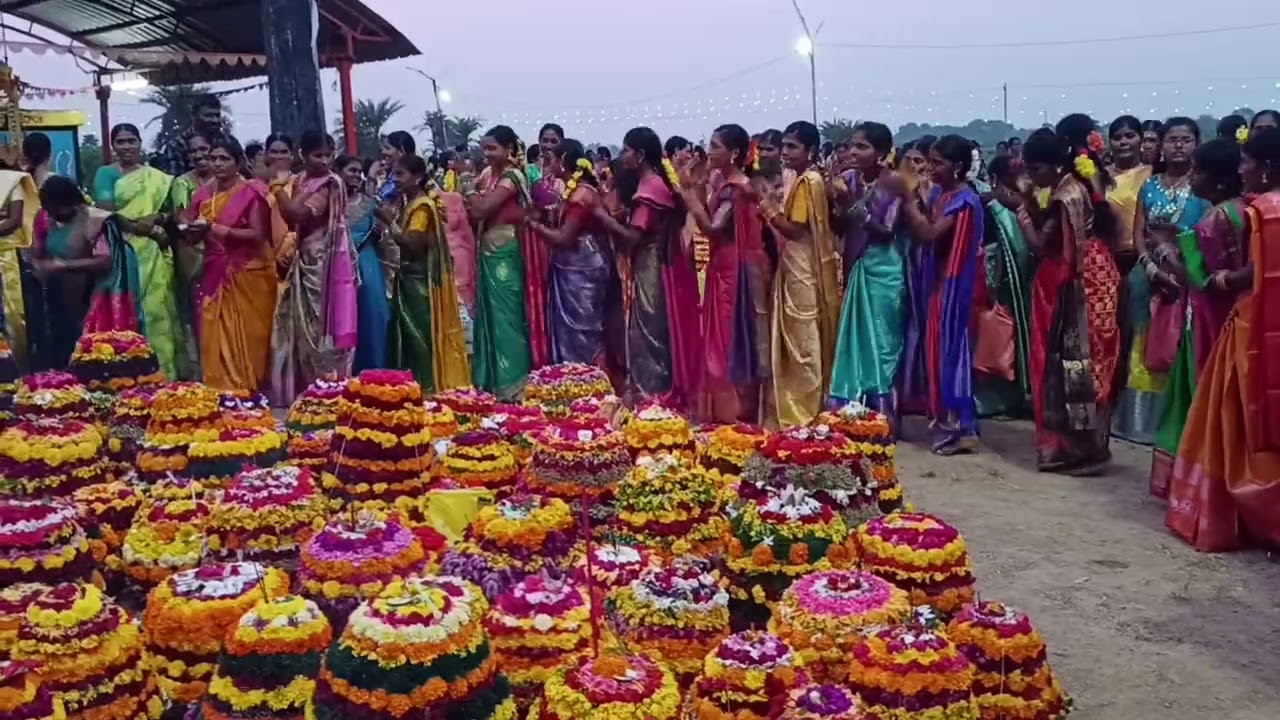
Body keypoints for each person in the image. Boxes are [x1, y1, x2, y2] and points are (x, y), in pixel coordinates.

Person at [1164, 128, 1280, 552]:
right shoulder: (1250, 209)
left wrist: (1213, 275)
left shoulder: (1259, 211)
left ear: (1265, 167)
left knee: (1233, 415)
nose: (1242, 168)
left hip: (1246, 321)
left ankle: (1233, 512)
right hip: (1257, 320)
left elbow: (1218, 274)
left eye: (1247, 161)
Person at [1016, 117, 1122, 474]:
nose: (1033, 176)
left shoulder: (1065, 196)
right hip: (1097, 274)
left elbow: (1043, 247)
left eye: (1036, 168)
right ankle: (1088, 446)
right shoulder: (1080, 184)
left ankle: (1079, 449)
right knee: (1090, 363)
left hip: (1074, 281)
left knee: (1072, 363)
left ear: (1054, 164)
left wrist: (1024, 218)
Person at [1148, 139, 1248, 495]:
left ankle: (1197, 484)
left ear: (1220, 180)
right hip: (1237, 315)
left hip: (1206, 317)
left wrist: (1164, 250)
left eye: (1199, 172)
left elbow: (1199, 278)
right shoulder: (1245, 210)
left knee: (1198, 391)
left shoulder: (1215, 218)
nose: (1192, 179)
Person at [884, 134, 985, 454]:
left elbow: (929, 232)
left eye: (938, 163)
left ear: (957, 167)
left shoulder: (964, 201)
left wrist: (909, 200)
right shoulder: (942, 194)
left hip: (953, 288)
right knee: (937, 355)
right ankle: (948, 422)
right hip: (937, 286)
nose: (930, 168)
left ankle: (959, 427)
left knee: (950, 357)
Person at [1115, 117, 1210, 445]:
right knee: (1142, 341)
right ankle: (1139, 423)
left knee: (1179, 342)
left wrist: (1178, 264)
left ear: (1196, 144)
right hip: (1147, 273)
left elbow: (1207, 235)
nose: (1178, 146)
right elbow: (1138, 232)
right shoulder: (1150, 185)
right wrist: (1149, 266)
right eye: (1172, 139)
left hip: (1186, 275)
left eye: (1185, 139)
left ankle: (1178, 421)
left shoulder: (1201, 186)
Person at [593, 126, 701, 406]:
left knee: (649, 332)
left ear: (640, 155)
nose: (623, 156)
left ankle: (653, 398)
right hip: (652, 263)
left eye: (627, 150)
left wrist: (602, 217)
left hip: (650, 265)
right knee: (647, 329)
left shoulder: (650, 188)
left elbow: (634, 237)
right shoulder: (650, 183)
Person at [678, 124, 769, 423]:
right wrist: (698, 185)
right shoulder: (724, 183)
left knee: (730, 337)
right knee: (719, 335)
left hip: (734, 270)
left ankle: (736, 412)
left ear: (734, 153)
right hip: (724, 264)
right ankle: (723, 411)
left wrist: (688, 193)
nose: (709, 150)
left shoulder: (736, 189)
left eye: (716, 145)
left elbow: (713, 228)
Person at [757, 121, 841, 427]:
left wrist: (767, 210)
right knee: (796, 332)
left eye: (793, 146)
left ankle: (804, 408)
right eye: (785, 146)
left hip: (802, 265)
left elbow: (794, 229)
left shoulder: (809, 182)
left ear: (812, 150)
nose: (785, 152)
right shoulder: (804, 179)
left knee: (803, 335)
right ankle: (797, 403)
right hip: (796, 263)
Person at [269, 130, 358, 405]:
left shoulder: (329, 183)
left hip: (326, 265)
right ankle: (309, 390)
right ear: (303, 156)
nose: (324, 160)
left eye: (328, 155)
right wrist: (283, 190)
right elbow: (292, 213)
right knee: (302, 327)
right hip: (305, 258)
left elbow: (296, 213)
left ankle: (331, 390)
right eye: (317, 155)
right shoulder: (302, 180)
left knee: (324, 328)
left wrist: (276, 188)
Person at [829, 122, 908, 431]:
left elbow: (887, 230)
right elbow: (839, 227)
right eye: (852, 145)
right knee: (856, 340)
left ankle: (884, 417)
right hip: (856, 264)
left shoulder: (895, 183)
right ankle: (852, 410)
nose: (853, 151)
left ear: (883, 153)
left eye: (862, 146)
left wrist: (851, 207)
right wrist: (836, 206)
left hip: (885, 270)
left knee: (884, 342)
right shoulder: (847, 180)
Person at [183, 137, 278, 392]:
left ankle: (247, 388)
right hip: (214, 270)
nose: (217, 163)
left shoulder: (251, 192)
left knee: (249, 336)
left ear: (238, 163)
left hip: (249, 272)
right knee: (212, 326)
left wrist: (214, 228)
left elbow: (258, 235)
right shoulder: (202, 194)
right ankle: (219, 387)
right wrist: (187, 229)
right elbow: (194, 234)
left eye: (224, 158)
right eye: (213, 158)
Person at [92, 123, 185, 379]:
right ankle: (127, 372)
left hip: (153, 253)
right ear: (113, 146)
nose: (127, 146)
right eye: (120, 142)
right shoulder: (106, 174)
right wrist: (143, 228)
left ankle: (163, 372)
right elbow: (106, 211)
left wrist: (158, 217)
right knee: (129, 306)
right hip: (123, 249)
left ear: (140, 143)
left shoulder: (156, 176)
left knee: (157, 308)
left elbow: (170, 211)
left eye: (131, 141)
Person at [27, 176, 137, 368]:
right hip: (56, 300)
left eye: (56, 208)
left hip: (90, 299)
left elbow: (105, 261)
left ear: (71, 202)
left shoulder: (95, 220)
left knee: (89, 358)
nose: (52, 214)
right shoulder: (47, 218)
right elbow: (38, 249)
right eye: (48, 209)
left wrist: (64, 265)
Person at [382, 154, 471, 392]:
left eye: (400, 174)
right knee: (409, 337)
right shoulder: (408, 202)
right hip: (409, 280)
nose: (395, 179)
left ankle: (426, 389)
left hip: (419, 283)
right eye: (393, 174)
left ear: (418, 177)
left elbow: (413, 244)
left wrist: (389, 223)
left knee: (419, 338)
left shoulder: (421, 206)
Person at [528, 139, 617, 369]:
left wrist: (533, 225)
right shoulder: (573, 191)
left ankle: (590, 383)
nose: (549, 165)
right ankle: (573, 381)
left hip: (582, 268)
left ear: (564, 160)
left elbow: (564, 238)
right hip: (573, 266)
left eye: (553, 160)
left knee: (584, 331)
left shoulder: (581, 195)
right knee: (573, 330)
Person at [468, 125, 533, 399]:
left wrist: (468, 190)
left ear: (508, 150)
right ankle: (493, 382)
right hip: (487, 250)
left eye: (493, 148)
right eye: (484, 148)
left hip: (504, 252)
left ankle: (514, 386)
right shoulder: (488, 175)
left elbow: (481, 208)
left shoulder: (512, 176)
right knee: (490, 318)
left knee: (507, 319)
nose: (487, 154)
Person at [972, 155, 1035, 419]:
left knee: (1011, 338)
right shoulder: (990, 203)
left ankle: (1012, 396)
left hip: (1020, 280)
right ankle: (995, 399)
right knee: (997, 340)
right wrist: (994, 282)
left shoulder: (1025, 202)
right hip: (1001, 280)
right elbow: (994, 246)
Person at [336, 155, 390, 373]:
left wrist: (379, 234)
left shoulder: (369, 203)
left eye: (359, 171)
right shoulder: (331, 202)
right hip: (341, 263)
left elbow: (385, 233)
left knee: (375, 313)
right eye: (351, 170)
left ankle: (374, 369)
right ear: (337, 172)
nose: (356, 176)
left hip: (367, 264)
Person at [169, 131, 215, 377]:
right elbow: (181, 221)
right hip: (194, 252)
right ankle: (201, 368)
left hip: (223, 250)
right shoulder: (182, 183)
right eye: (193, 152)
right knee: (197, 310)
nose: (198, 156)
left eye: (203, 150)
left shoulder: (226, 181)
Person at [0, 153, 36, 366]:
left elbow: (14, 220)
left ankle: (16, 369)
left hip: (6, 254)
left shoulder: (12, 181)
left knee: (12, 314)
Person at [1105, 116, 1153, 275]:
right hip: (1109, 258)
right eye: (1117, 138)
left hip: (1147, 257)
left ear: (1141, 140)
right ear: (1110, 143)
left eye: (1130, 136)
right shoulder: (1100, 177)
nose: (1123, 142)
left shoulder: (1153, 174)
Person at [157, 94, 224, 176]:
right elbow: (176, 179)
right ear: (194, 115)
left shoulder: (227, 141)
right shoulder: (178, 144)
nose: (215, 120)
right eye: (208, 116)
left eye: (217, 115)